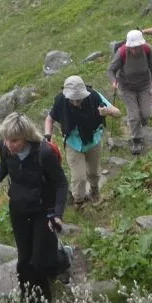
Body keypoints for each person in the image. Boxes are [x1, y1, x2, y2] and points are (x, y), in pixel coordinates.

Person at [0, 112, 70, 303]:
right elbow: (4, 166)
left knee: (40, 263)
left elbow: (61, 183)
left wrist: (58, 215)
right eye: (6, 139)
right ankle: (30, 301)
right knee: (24, 261)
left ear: (26, 136)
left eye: (15, 140)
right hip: (18, 209)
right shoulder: (4, 147)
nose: (9, 145)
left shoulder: (44, 153)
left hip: (45, 211)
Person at [44, 74, 119, 205]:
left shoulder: (94, 96)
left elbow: (117, 112)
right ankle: (79, 201)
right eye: (74, 98)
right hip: (73, 143)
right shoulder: (60, 101)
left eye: (80, 98)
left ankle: (94, 190)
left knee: (94, 172)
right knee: (79, 177)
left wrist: (107, 111)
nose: (77, 101)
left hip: (93, 140)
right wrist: (47, 137)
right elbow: (49, 119)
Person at [108, 29, 152, 154]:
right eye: (132, 47)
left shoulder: (148, 50)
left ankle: (141, 124)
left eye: (137, 47)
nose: (134, 50)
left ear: (141, 45)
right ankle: (136, 140)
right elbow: (110, 70)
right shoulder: (122, 52)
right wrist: (113, 81)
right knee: (134, 116)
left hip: (144, 85)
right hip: (127, 88)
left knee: (146, 114)